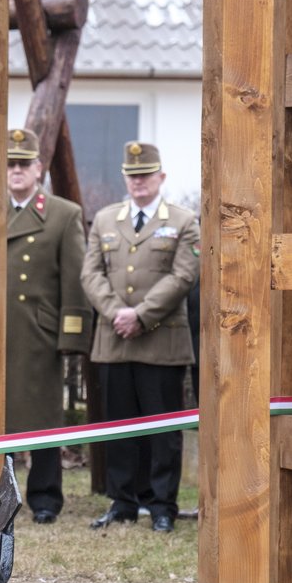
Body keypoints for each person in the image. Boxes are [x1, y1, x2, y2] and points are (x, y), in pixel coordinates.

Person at [82, 141, 200, 533]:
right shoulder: (104, 219)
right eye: (132, 176)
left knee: (162, 428)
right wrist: (117, 313)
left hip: (160, 341)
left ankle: (162, 504)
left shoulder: (183, 221)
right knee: (118, 425)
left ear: (161, 177)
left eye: (146, 175)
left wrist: (141, 315)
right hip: (115, 338)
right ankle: (123, 501)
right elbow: (91, 274)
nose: (139, 182)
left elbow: (183, 276)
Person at [3, 128, 90, 524]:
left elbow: (75, 281)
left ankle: (45, 497)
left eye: (23, 163)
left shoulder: (62, 213)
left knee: (42, 419)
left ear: (38, 168)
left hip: (37, 333)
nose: (16, 170)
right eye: (10, 164)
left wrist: (71, 337)